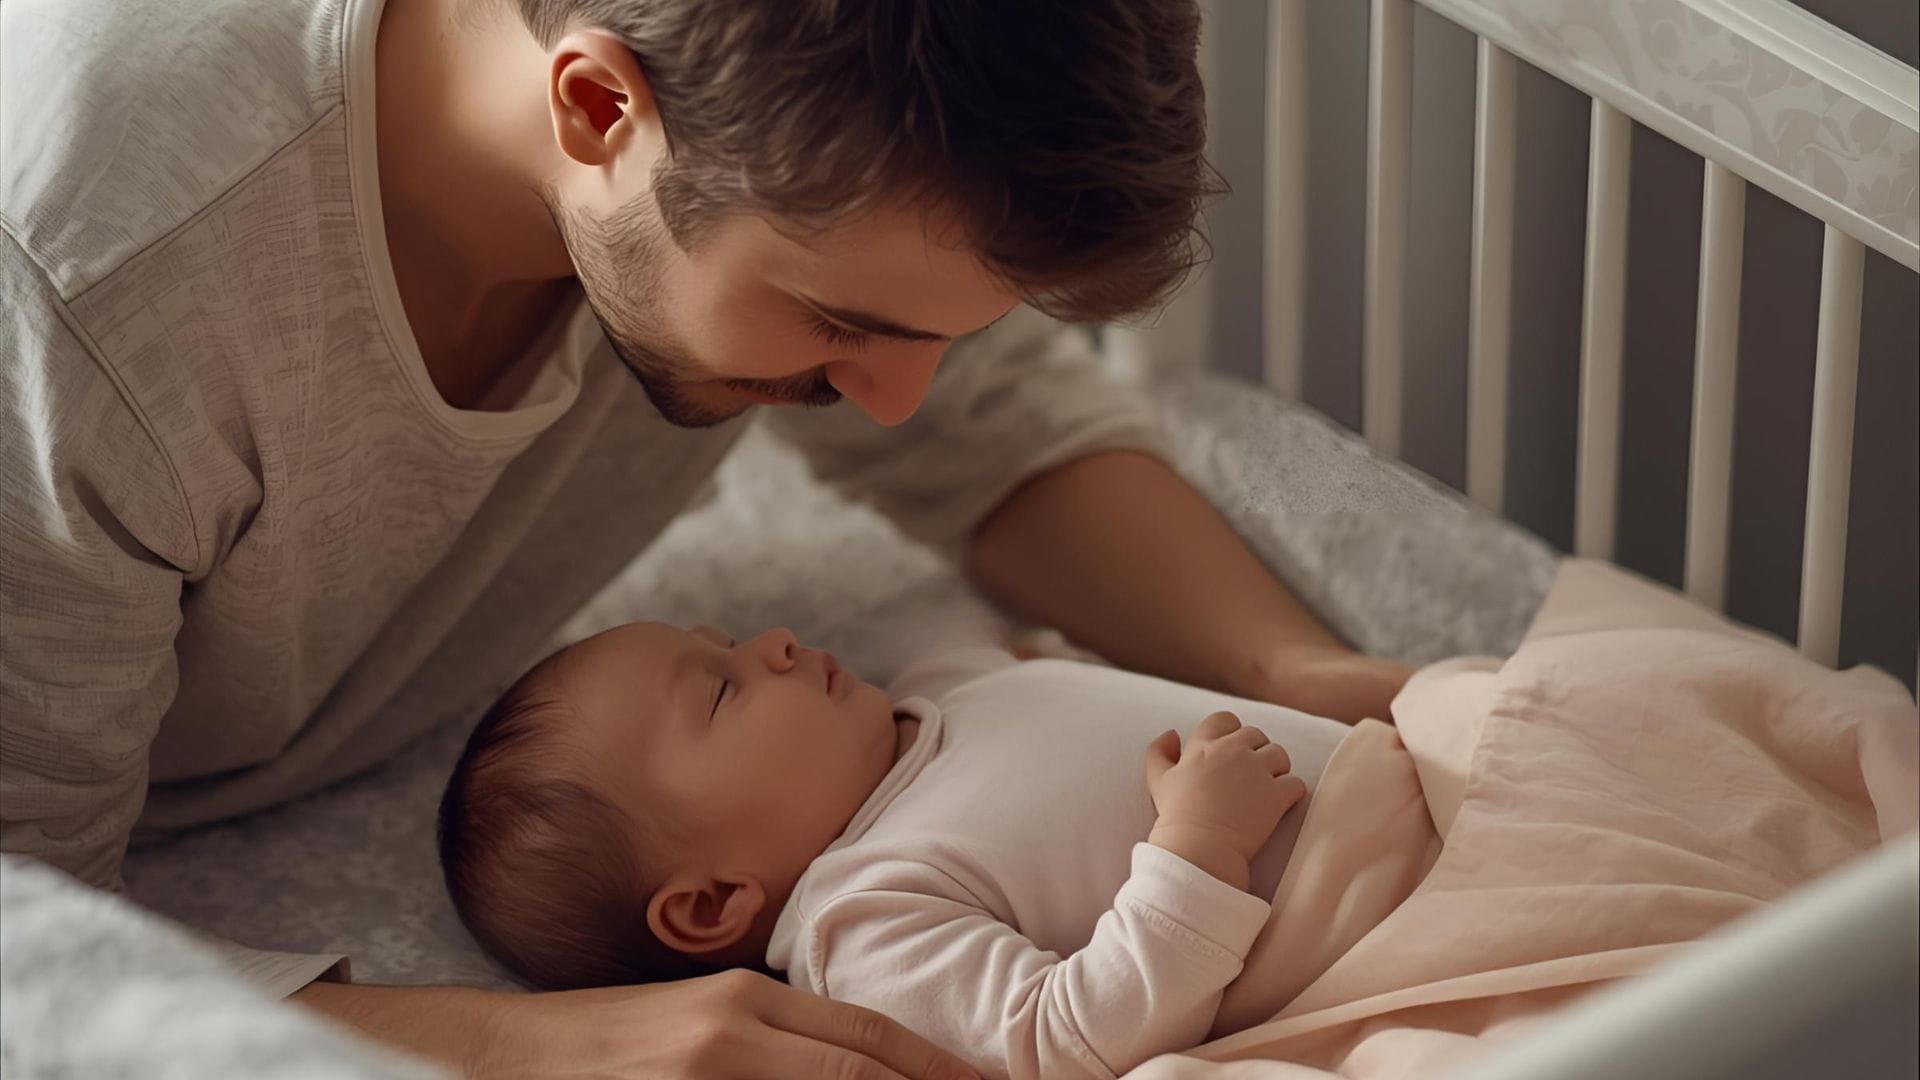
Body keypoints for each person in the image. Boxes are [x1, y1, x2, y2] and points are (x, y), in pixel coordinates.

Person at [0, 0, 1410, 1075]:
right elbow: (24, 932)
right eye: (845, 326)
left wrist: (1295, 673)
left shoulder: (785, 147)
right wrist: (528, 1046)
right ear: (600, 108)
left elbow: (996, 431)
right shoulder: (91, 281)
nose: (896, 399)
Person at [440, 622, 1353, 1078]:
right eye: (721, 692)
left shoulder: (929, 687)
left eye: (731, 637)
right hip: (1364, 918)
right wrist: (1197, 848)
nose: (776, 642)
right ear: (714, 903)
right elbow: (1060, 1038)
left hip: (1398, 762)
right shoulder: (864, 922)